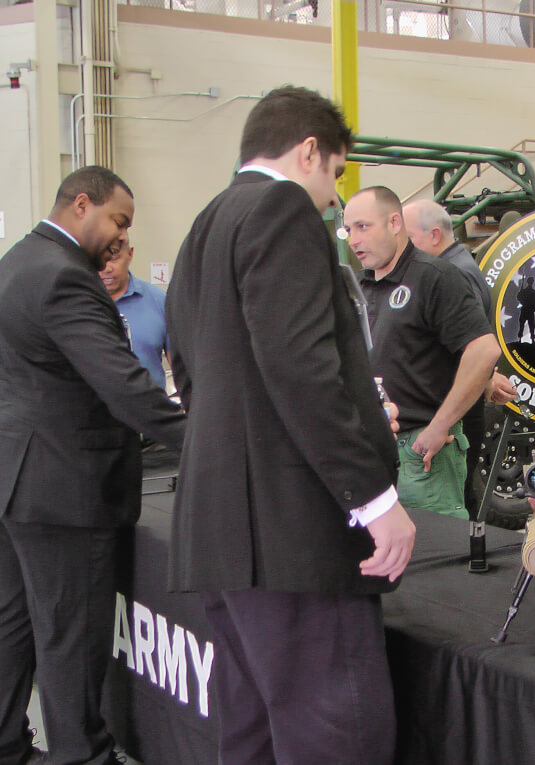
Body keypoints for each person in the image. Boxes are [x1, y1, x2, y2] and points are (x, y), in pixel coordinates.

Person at [165, 86, 416, 765]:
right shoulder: (281, 211)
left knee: (252, 735)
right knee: (337, 737)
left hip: (225, 535)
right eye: (335, 172)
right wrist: (375, 500)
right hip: (293, 539)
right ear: (308, 151)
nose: (335, 199)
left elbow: (191, 374)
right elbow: (301, 370)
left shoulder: (204, 226)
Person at [0, 166, 186, 765]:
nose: (121, 237)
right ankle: (82, 756)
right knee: (72, 637)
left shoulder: (15, 263)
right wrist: (204, 444)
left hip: (16, 482)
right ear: (82, 204)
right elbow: (124, 385)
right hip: (65, 491)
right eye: (118, 220)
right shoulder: (64, 277)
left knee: (14, 626)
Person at [349, 186, 501, 520]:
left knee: (435, 550)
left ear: (394, 223)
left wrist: (440, 425)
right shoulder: (360, 286)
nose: (354, 240)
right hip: (372, 453)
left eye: (363, 227)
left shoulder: (436, 276)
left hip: (422, 454)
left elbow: (483, 350)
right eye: (348, 230)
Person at [402, 199, 516, 520]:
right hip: (459, 414)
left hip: (454, 419)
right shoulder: (459, 266)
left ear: (435, 235)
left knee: (449, 516)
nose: (402, 249)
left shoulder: (452, 275)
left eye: (408, 238)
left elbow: (472, 348)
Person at [98, 238, 170, 389]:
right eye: (98, 258)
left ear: (130, 254)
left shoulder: (161, 302)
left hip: (149, 402)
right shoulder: (74, 304)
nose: (106, 268)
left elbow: (182, 369)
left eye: (114, 257)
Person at [516, 275, 535, 343]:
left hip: (529, 310)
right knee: (522, 325)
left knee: (531, 326)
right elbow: (519, 297)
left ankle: (532, 339)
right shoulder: (527, 291)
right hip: (526, 310)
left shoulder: (533, 292)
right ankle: (520, 339)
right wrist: (521, 293)